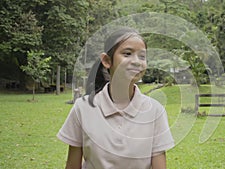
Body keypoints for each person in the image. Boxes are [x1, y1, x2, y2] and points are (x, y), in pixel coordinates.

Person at [57, 27, 174, 169]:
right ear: (107, 60)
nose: (136, 61)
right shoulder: (83, 108)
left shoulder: (155, 111)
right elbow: (72, 165)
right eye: (127, 54)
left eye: (142, 56)